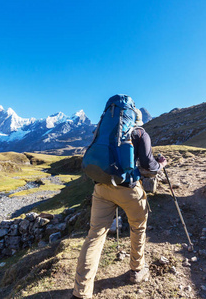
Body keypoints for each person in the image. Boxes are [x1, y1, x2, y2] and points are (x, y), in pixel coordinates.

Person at [72, 107, 167, 299]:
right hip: (128, 189)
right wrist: (162, 164)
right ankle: (137, 270)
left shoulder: (105, 130)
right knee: (138, 227)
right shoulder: (140, 133)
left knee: (95, 236)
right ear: (138, 121)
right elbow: (149, 165)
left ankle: (81, 292)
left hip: (101, 187)